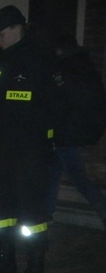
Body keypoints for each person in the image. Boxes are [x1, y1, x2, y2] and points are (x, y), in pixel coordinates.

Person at [0, 5, 60, 273]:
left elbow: (52, 108)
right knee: (0, 208)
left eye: (0, 34)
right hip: (0, 151)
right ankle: (5, 261)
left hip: (29, 152)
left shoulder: (40, 60)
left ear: (17, 29)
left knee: (31, 212)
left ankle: (35, 267)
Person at [46, 34, 106, 227]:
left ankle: (103, 210)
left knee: (76, 176)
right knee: (54, 172)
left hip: (66, 131)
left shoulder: (66, 69)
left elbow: (60, 101)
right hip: (73, 130)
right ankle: (46, 213)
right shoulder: (84, 66)